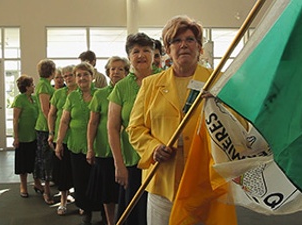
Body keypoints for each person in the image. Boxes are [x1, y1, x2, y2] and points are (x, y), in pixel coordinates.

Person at [127, 15, 237, 225]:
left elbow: (237, 126)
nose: (183, 45)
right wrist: (152, 148)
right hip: (163, 184)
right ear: (168, 50)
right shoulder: (151, 84)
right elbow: (135, 128)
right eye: (176, 41)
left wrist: (220, 106)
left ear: (199, 47)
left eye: (190, 40)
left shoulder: (218, 82)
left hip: (207, 184)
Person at [107, 32, 158, 225]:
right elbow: (112, 128)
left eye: (146, 50)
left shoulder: (164, 80)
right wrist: (118, 165)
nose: (141, 55)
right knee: (135, 215)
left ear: (153, 55)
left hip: (160, 162)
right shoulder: (121, 88)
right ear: (129, 57)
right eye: (135, 51)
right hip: (132, 163)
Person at [55, 62, 101, 225]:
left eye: (85, 74)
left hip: (97, 145)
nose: (82, 78)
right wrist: (59, 142)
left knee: (97, 181)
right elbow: (64, 121)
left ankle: (103, 213)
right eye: (78, 75)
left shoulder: (100, 94)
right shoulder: (72, 96)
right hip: (75, 145)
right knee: (80, 182)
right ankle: (86, 212)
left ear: (92, 76)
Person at [87, 56, 130, 225]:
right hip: (105, 149)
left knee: (126, 189)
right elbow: (93, 123)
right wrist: (90, 147)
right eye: (113, 69)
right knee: (107, 191)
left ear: (126, 72)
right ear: (108, 72)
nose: (116, 72)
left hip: (127, 150)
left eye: (120, 69)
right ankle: (111, 222)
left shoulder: (132, 91)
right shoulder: (100, 94)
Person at [48, 65, 77, 215]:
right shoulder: (59, 94)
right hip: (62, 138)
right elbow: (52, 114)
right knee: (63, 172)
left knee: (79, 172)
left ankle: (81, 201)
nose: (67, 78)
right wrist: (51, 133)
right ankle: (63, 202)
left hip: (79, 140)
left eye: (70, 75)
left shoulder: (84, 92)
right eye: (64, 76)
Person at [12, 75, 42, 198]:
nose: (34, 86)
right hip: (23, 136)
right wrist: (16, 137)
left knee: (35, 161)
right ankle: (23, 185)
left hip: (34, 135)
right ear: (26, 87)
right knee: (23, 162)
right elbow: (15, 119)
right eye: (32, 85)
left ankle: (37, 183)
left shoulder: (34, 98)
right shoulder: (19, 99)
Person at [34, 59, 56, 205]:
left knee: (42, 157)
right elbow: (46, 109)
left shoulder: (46, 84)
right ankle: (46, 191)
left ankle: (38, 183)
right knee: (46, 159)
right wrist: (51, 129)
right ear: (52, 71)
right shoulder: (43, 85)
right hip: (44, 128)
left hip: (45, 127)